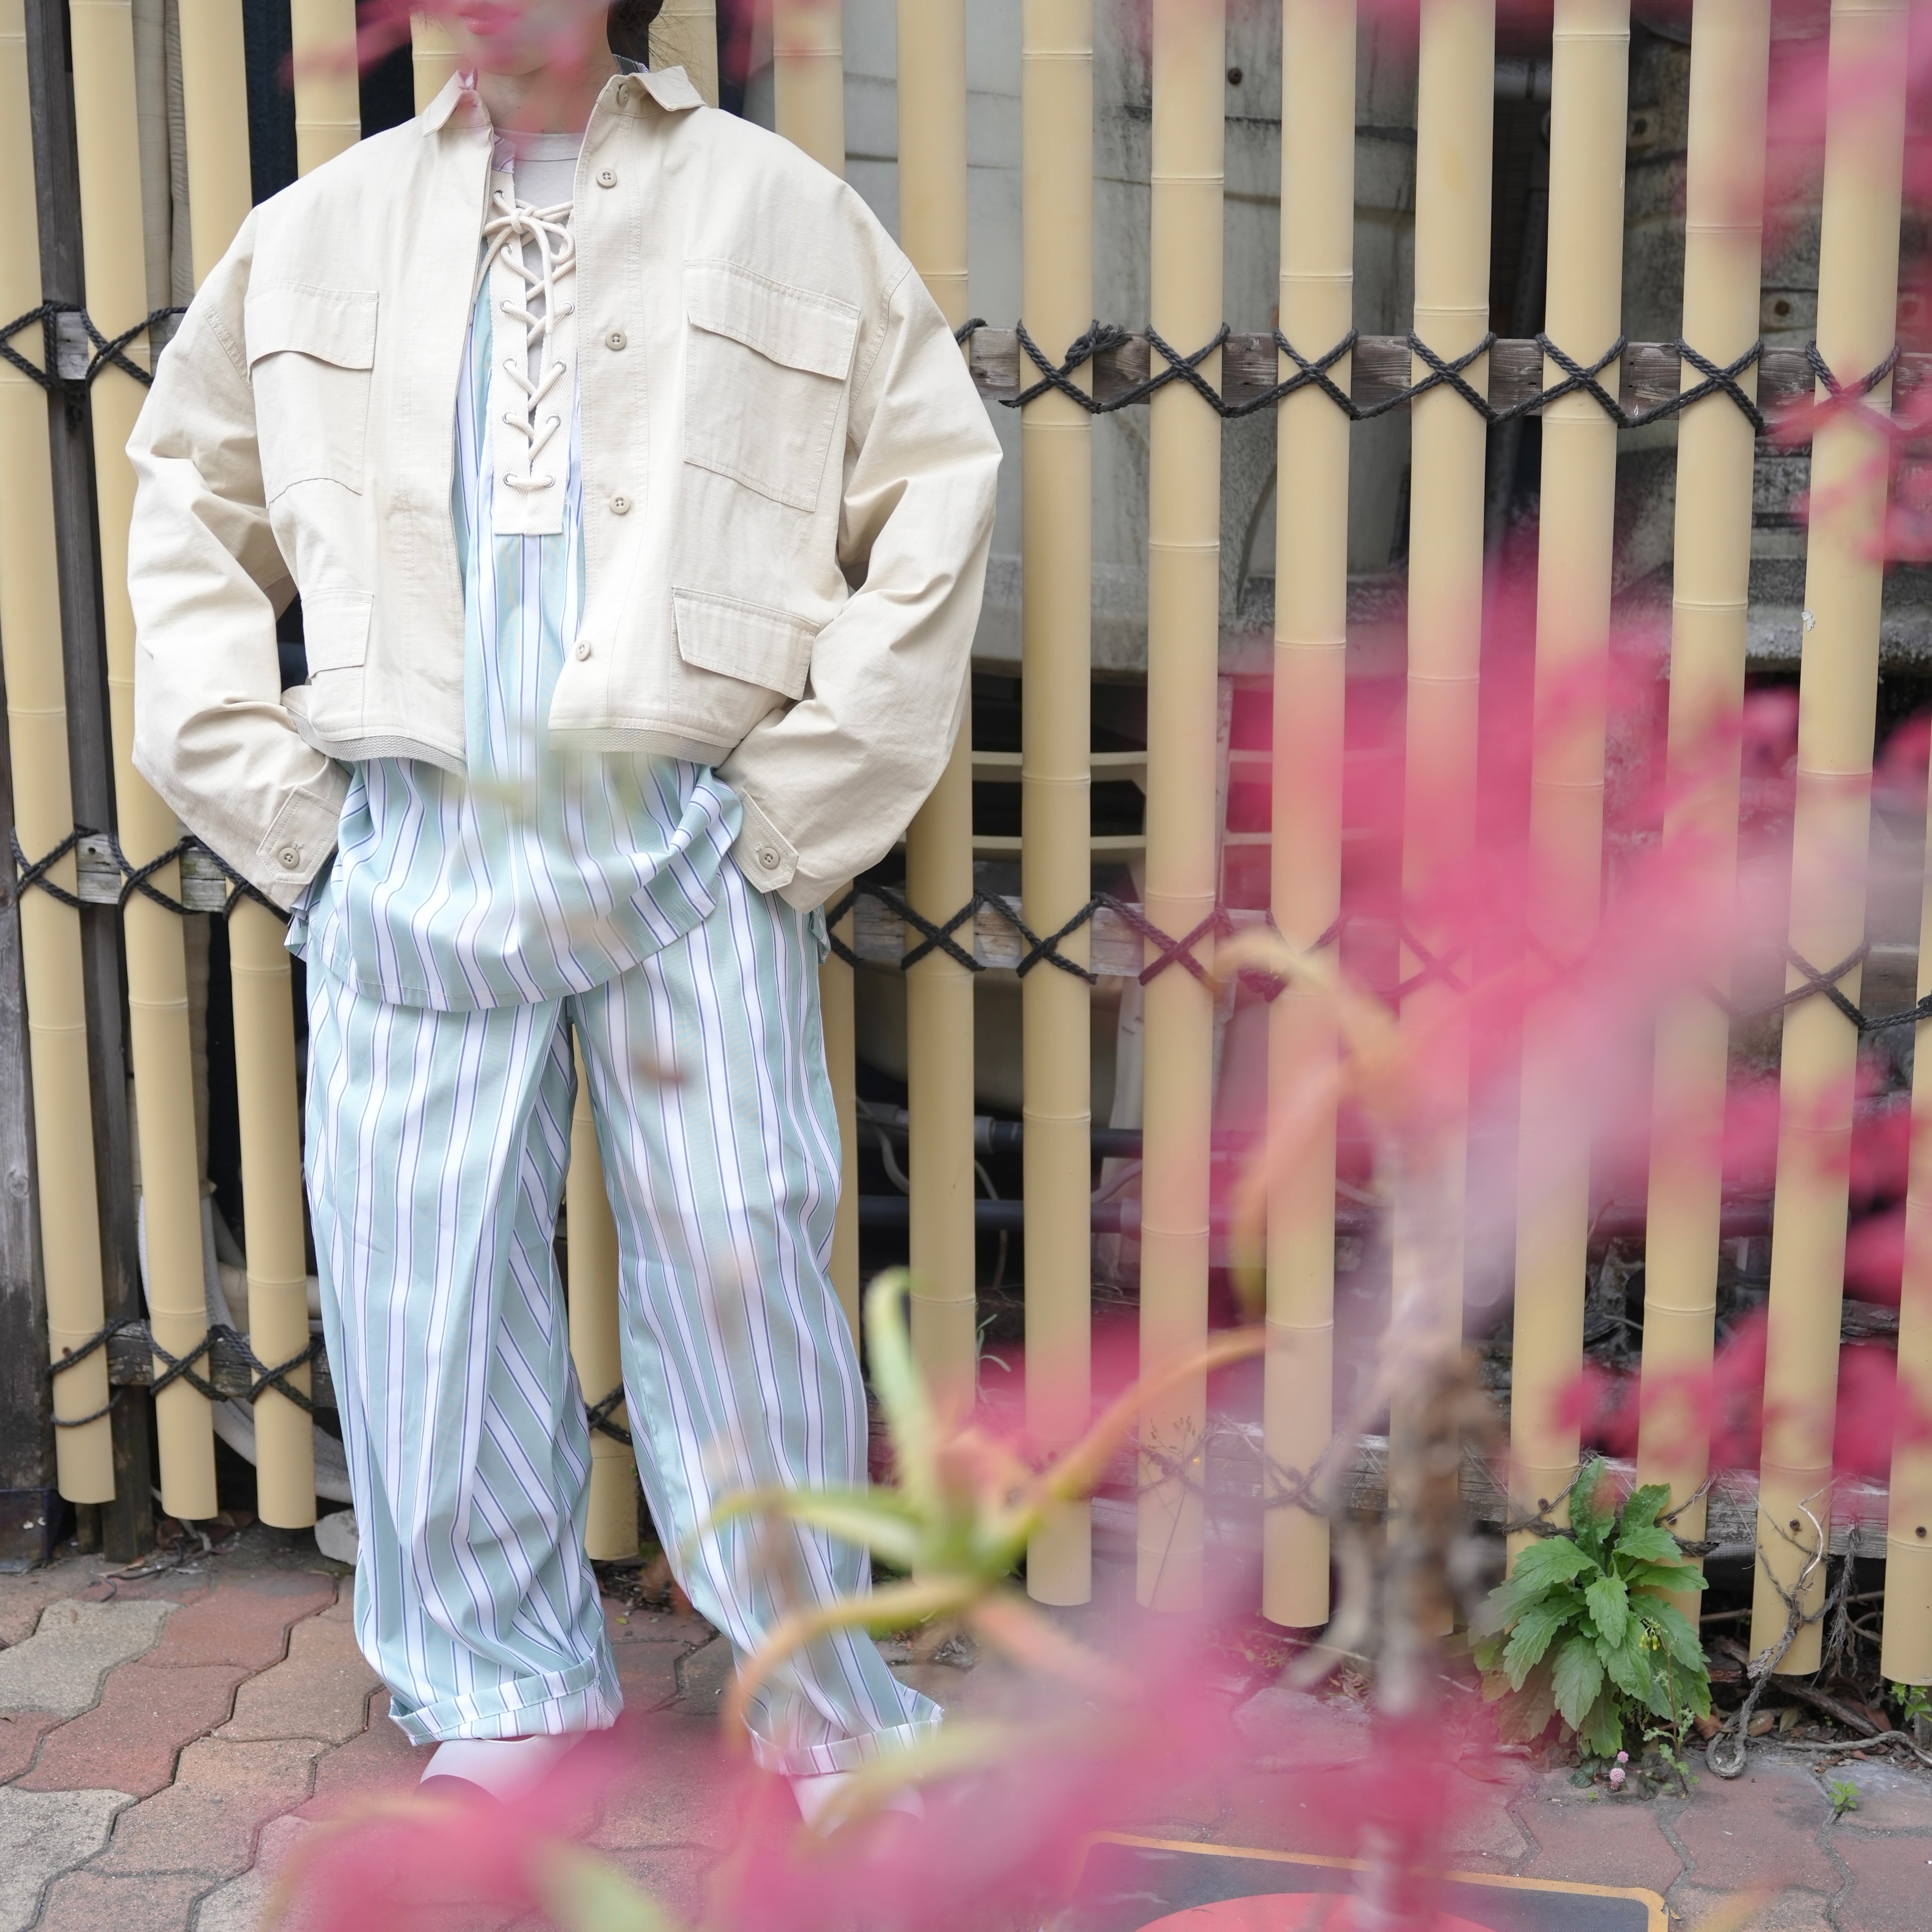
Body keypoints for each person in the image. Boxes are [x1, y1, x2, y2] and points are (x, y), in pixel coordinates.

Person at [126, 0, 999, 1819]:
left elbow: (933, 494)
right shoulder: (317, 230)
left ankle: (816, 1687)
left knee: (747, 1268)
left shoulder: (777, 208)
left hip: (691, 831)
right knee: (417, 1275)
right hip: (411, 839)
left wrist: (799, 808)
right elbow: (185, 508)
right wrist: (298, 826)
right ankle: (500, 1686)